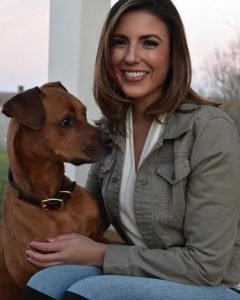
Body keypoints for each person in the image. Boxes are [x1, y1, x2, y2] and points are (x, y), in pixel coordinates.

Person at [22, 0, 240, 299]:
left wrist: (101, 255)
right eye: (120, 42)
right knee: (44, 284)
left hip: (214, 285)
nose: (131, 56)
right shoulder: (112, 131)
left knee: (87, 294)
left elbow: (207, 265)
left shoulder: (209, 129)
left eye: (149, 43)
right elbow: (91, 219)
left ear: (173, 54)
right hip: (146, 271)